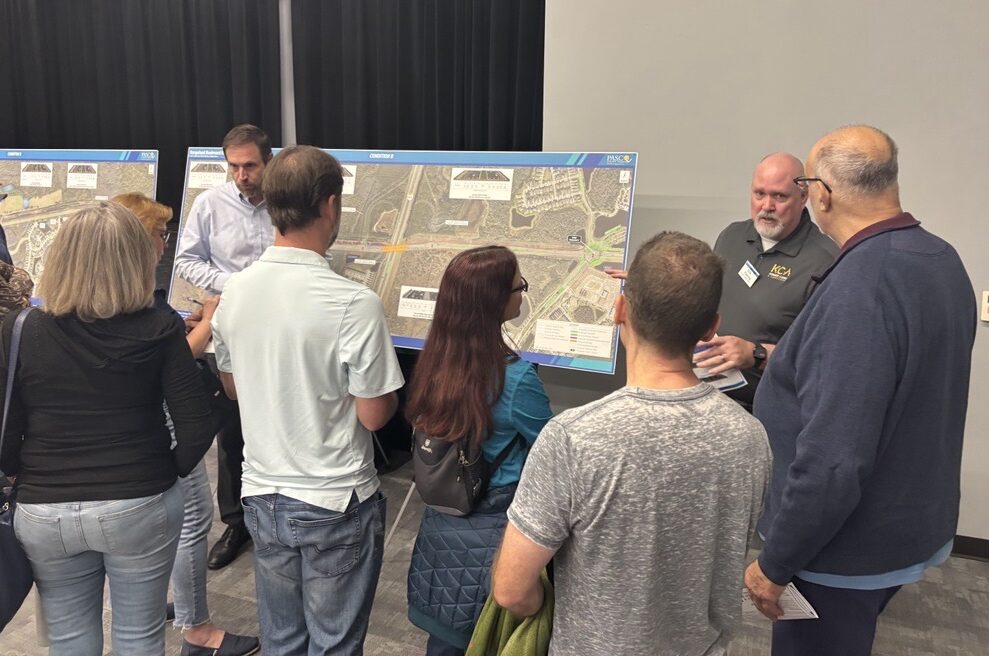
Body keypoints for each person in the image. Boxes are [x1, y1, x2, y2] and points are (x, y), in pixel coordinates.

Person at [744, 126, 977, 656]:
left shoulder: (859, 290)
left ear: (820, 194)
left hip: (843, 549)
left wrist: (775, 563)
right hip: (910, 521)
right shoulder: (941, 259)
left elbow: (833, 460)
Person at [493, 231, 772, 656]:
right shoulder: (750, 436)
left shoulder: (575, 438)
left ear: (620, 308)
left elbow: (512, 590)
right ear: (710, 327)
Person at [211, 145, 404, 654]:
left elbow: (233, 388)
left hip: (262, 494)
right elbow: (374, 414)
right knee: (335, 642)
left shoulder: (233, 293)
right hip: (335, 499)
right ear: (330, 205)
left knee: (282, 638)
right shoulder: (354, 304)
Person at [0, 202, 215, 654]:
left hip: (44, 509)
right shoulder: (159, 327)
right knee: (139, 636)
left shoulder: (20, 329)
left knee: (68, 638)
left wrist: (26, 474)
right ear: (135, 259)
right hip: (139, 500)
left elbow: (6, 431)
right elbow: (196, 424)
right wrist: (161, 471)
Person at [112, 193, 259, 656]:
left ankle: (157, 605)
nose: (165, 242)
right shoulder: (140, 299)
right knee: (192, 520)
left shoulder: (109, 291)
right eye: (160, 233)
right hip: (166, 426)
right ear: (138, 239)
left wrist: (187, 325)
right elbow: (170, 361)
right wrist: (208, 324)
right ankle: (198, 630)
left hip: (133, 430)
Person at [404, 246, 554, 656]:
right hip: (495, 534)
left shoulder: (434, 363)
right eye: (518, 287)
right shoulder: (516, 380)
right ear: (496, 302)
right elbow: (555, 451)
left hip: (441, 528)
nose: (521, 294)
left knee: (446, 640)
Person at [607, 153, 836, 410]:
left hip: (771, 408)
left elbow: (826, 359)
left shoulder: (826, 260)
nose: (767, 206)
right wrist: (651, 281)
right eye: (759, 194)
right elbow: (704, 293)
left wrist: (758, 354)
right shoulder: (733, 236)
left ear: (803, 197)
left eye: (779, 196)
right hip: (709, 397)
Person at [174, 124, 275, 569]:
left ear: (267, 162)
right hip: (230, 331)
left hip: (280, 328)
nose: (241, 175)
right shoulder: (209, 204)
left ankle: (277, 515)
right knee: (232, 432)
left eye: (250, 165)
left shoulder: (287, 200)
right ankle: (236, 522)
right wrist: (238, 284)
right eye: (233, 166)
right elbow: (186, 260)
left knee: (277, 421)